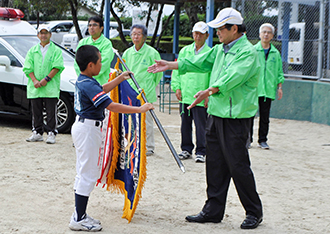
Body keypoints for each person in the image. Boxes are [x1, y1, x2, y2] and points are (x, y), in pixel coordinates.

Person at [148, 7, 263, 229]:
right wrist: (171, 65)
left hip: (236, 118)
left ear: (234, 29)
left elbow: (233, 78)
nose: (217, 32)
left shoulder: (248, 52)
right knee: (215, 164)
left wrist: (209, 91)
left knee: (238, 166)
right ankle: (213, 210)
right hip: (216, 115)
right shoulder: (220, 49)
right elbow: (198, 61)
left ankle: (253, 212)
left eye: (221, 28)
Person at [69, 45, 153, 232]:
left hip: (86, 127)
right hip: (87, 129)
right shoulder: (88, 83)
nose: (101, 64)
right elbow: (111, 105)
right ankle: (79, 218)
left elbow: (102, 89)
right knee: (87, 174)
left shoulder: (86, 80)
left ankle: (79, 214)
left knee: (84, 172)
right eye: (99, 61)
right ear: (91, 65)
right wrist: (139, 109)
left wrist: (119, 79)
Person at [171, 21, 211, 163]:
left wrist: (208, 94)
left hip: (200, 96)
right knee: (185, 124)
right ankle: (186, 149)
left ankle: (201, 151)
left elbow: (212, 74)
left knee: (201, 126)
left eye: (201, 33)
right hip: (185, 94)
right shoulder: (185, 51)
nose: (197, 36)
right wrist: (177, 87)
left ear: (207, 35)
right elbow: (177, 70)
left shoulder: (210, 53)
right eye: (195, 33)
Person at [122, 24, 163, 156]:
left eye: (139, 34)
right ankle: (132, 143)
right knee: (130, 119)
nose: (136, 36)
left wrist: (150, 84)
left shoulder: (152, 53)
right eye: (133, 34)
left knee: (147, 121)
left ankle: (149, 146)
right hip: (131, 92)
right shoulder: (127, 53)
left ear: (144, 37)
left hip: (146, 92)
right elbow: (124, 72)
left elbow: (158, 74)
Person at [23, 25, 64, 144]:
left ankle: (51, 132)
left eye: (46, 33)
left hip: (50, 86)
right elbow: (27, 67)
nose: (44, 35)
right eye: (41, 33)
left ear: (50, 35)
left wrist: (47, 79)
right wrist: (34, 80)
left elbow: (58, 66)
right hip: (35, 86)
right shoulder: (32, 50)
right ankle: (37, 132)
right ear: (38, 35)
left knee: (51, 111)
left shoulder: (55, 50)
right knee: (36, 110)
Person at [249, 23, 284, 150]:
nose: (266, 34)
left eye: (269, 32)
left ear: (272, 36)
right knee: (250, 115)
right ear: (259, 34)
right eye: (264, 32)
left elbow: (279, 71)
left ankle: (262, 140)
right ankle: (248, 139)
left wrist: (279, 87)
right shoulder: (253, 50)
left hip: (268, 89)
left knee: (265, 117)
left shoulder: (275, 53)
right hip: (253, 89)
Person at [74, 16, 114, 85]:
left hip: (102, 84)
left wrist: (89, 77)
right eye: (90, 25)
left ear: (101, 28)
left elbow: (104, 63)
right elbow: (77, 62)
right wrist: (83, 77)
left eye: (95, 25)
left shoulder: (106, 44)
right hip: (84, 83)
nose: (91, 28)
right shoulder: (83, 42)